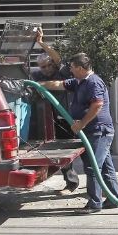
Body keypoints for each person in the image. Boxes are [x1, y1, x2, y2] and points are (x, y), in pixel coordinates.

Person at [38, 53, 118, 213]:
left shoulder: (93, 82)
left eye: (72, 67)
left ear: (81, 68)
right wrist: (38, 84)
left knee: (93, 167)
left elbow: (97, 105)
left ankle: (95, 203)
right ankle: (113, 199)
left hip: (98, 130)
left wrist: (82, 123)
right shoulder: (79, 81)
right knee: (105, 166)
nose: (70, 70)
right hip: (91, 131)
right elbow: (59, 84)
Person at [30, 28, 79, 193]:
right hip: (54, 119)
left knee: (85, 152)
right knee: (60, 152)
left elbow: (58, 59)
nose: (45, 69)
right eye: (42, 67)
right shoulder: (38, 77)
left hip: (72, 117)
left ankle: (93, 186)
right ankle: (70, 183)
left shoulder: (63, 73)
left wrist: (41, 43)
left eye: (47, 66)